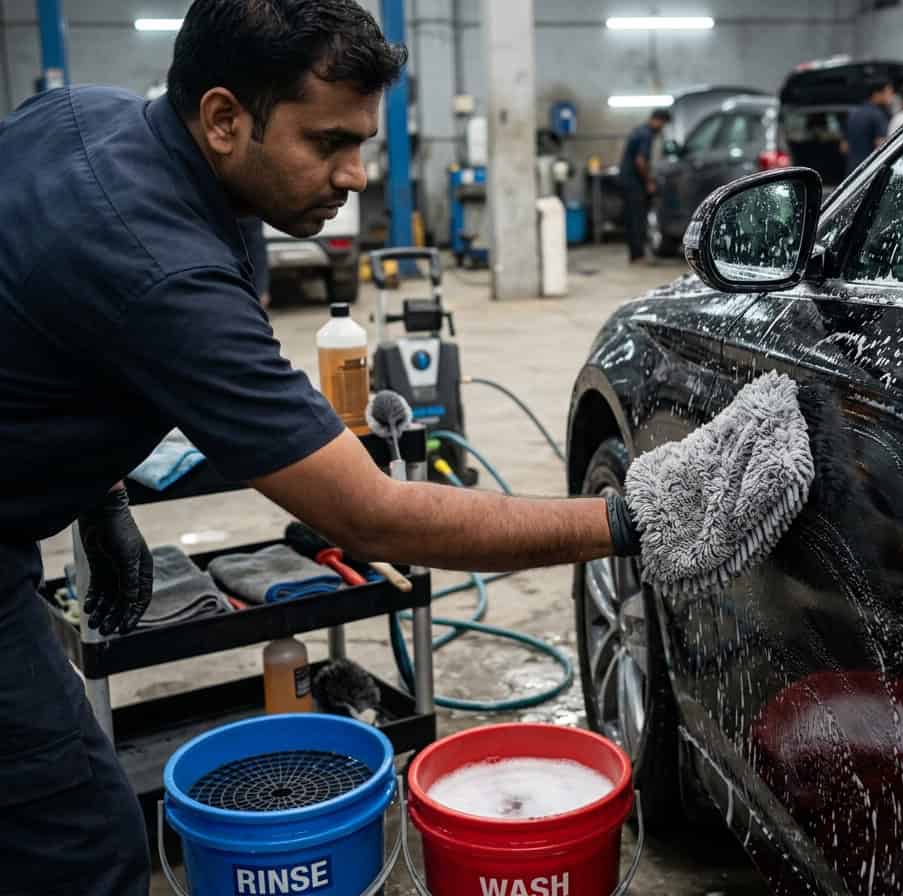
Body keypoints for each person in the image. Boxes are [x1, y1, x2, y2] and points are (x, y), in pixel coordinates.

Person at [0, 2, 641, 892]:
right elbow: (371, 516)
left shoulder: (82, 115)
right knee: (81, 846)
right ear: (224, 119)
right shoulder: (164, 268)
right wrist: (630, 520)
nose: (355, 174)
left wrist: (97, 490)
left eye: (364, 140)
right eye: (328, 141)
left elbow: (48, 321)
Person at [618, 107, 672, 263]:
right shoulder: (646, 134)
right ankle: (638, 256)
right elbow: (640, 161)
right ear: (658, 120)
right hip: (634, 182)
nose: (663, 128)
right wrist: (649, 181)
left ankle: (635, 254)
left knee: (632, 217)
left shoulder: (639, 130)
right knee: (637, 218)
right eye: (663, 124)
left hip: (627, 181)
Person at [843, 80, 895, 172]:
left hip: (852, 171)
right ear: (876, 94)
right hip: (869, 171)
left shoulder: (853, 113)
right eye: (888, 92)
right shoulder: (878, 115)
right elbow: (881, 145)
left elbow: (844, 147)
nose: (891, 96)